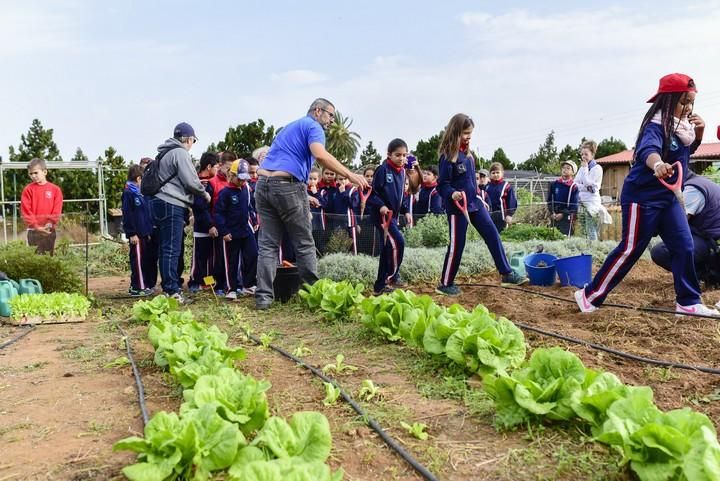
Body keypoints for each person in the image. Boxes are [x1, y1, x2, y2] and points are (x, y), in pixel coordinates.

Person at [575, 73, 719, 316]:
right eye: (683, 102)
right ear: (667, 101)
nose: (688, 108)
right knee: (630, 249)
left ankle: (688, 301)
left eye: (691, 103)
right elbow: (648, 151)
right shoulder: (655, 125)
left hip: (668, 199)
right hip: (643, 199)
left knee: (684, 246)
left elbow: (684, 152)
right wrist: (658, 165)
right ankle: (589, 294)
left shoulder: (684, 129)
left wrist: (700, 133)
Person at [254, 98, 369, 310]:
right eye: (330, 115)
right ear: (318, 111)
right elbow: (320, 155)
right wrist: (350, 174)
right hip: (287, 184)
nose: (332, 121)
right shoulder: (313, 126)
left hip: (263, 185)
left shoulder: (290, 127)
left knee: (268, 244)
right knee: (304, 243)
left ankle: (263, 298)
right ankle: (314, 295)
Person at [436, 114, 527, 296]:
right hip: (457, 207)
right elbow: (442, 185)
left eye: (470, 133)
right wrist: (452, 194)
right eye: (465, 133)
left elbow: (472, 181)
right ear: (455, 132)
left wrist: (479, 197)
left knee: (492, 233)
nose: (469, 136)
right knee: (457, 244)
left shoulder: (469, 156)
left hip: (474, 203)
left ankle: (506, 273)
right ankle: (446, 283)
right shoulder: (447, 157)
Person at [149, 122, 210, 303]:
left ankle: (169, 287)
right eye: (193, 140)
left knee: (165, 247)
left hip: (159, 202)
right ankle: (172, 291)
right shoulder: (180, 153)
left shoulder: (164, 152)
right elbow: (191, 181)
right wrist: (203, 193)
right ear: (189, 139)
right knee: (172, 248)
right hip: (172, 203)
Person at [650, 171, 720, 287]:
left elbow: (676, 223)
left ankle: (705, 276)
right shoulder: (699, 182)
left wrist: (651, 228)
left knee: (660, 252)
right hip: (709, 238)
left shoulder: (692, 189)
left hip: (712, 243)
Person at [366, 139, 411, 294]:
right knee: (398, 242)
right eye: (398, 155)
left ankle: (380, 285)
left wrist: (406, 210)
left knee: (386, 250)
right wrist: (381, 206)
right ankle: (393, 276)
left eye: (404, 155)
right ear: (389, 155)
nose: (401, 158)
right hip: (382, 217)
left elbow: (401, 196)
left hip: (394, 217)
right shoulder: (383, 170)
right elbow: (372, 194)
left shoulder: (403, 172)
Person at [214, 159, 258, 299]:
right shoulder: (225, 193)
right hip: (230, 232)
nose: (242, 182)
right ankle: (231, 288)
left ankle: (249, 284)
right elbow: (218, 213)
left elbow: (250, 206)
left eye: (245, 179)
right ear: (231, 175)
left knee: (253, 254)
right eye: (239, 179)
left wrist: (255, 219)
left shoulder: (246, 189)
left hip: (246, 229)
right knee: (232, 261)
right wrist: (224, 231)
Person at [121, 164, 157, 296]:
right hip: (136, 235)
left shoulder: (140, 194)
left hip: (144, 234)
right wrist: (131, 233)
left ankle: (142, 284)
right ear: (138, 179)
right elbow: (128, 215)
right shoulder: (128, 193)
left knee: (144, 260)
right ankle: (138, 287)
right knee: (137, 261)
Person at [188, 152, 219, 293]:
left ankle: (208, 282)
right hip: (202, 226)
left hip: (212, 226)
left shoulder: (211, 182)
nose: (217, 170)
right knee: (199, 256)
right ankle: (194, 281)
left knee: (210, 257)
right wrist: (209, 225)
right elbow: (200, 208)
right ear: (208, 166)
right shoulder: (199, 184)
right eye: (216, 167)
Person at [21, 158, 63, 255]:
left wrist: (49, 225)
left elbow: (57, 210)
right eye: (30, 174)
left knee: (49, 259)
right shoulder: (28, 190)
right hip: (33, 232)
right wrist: (36, 227)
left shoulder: (55, 190)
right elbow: (26, 210)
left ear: (45, 172)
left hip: (49, 230)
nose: (33, 176)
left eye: (36, 173)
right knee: (35, 259)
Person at [575, 140, 605, 240]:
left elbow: (591, 187)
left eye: (586, 154)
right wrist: (584, 186)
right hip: (581, 202)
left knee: (591, 229)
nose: (583, 156)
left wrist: (584, 171)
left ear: (592, 154)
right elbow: (576, 183)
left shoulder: (597, 168)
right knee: (584, 229)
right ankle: (588, 250)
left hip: (591, 203)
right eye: (582, 154)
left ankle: (594, 251)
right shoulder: (582, 168)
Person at [547, 160, 579, 236]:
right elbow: (549, 200)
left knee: (564, 239)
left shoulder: (573, 187)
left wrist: (563, 214)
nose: (565, 170)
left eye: (568, 168)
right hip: (554, 217)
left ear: (573, 172)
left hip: (566, 219)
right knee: (552, 237)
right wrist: (552, 212)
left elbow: (574, 206)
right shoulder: (554, 184)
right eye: (563, 168)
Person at [485, 162, 517, 232]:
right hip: (489, 216)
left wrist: (509, 214)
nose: (495, 175)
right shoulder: (487, 187)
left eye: (497, 172)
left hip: (502, 217)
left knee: (501, 235)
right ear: (490, 174)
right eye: (493, 173)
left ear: (502, 173)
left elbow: (511, 201)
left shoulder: (507, 186)